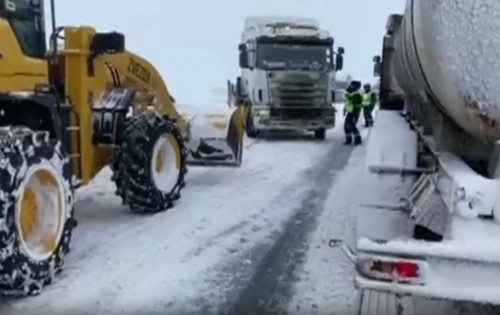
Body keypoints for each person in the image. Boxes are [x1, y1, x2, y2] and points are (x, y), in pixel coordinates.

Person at [343, 81, 363, 145]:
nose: (350, 86)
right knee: (346, 126)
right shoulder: (351, 93)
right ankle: (348, 140)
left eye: (352, 85)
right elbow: (348, 102)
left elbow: (357, 105)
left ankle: (358, 139)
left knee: (352, 126)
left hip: (354, 113)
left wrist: (355, 114)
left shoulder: (357, 94)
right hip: (350, 112)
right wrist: (345, 109)